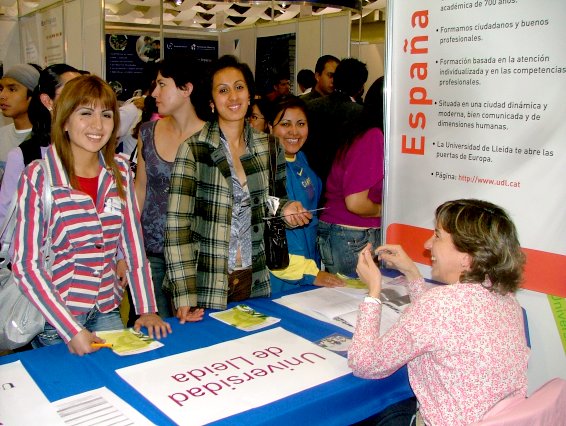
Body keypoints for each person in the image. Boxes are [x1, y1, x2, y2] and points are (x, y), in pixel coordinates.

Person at [11, 75, 172, 356]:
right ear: (64, 120)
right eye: (85, 113)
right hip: (55, 318)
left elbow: (133, 246)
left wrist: (146, 309)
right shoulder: (40, 176)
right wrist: (70, 330)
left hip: (107, 307)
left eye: (106, 115)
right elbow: (26, 265)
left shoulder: (119, 171)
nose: (97, 125)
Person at [349, 199, 530, 425]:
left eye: (437, 236)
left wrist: (373, 290)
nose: (427, 244)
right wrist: (412, 273)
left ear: (466, 257)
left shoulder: (441, 304)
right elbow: (442, 323)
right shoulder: (506, 298)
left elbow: (365, 364)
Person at [164, 55, 312, 318]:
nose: (233, 96)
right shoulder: (194, 149)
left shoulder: (269, 146)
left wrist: (288, 210)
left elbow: (274, 201)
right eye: (223, 90)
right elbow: (177, 228)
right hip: (204, 278)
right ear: (211, 102)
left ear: (250, 94)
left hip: (253, 275)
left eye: (239, 87)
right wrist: (183, 293)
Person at [135, 57, 208, 320]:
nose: (154, 93)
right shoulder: (147, 131)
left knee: (191, 331)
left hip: (193, 257)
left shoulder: (212, 138)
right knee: (153, 326)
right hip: (150, 251)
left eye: (162, 84)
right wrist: (128, 248)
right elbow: (139, 190)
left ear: (186, 89)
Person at [267, 96, 344, 294]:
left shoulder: (300, 157)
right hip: (285, 276)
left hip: (309, 270)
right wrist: (310, 274)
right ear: (269, 127)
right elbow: (267, 237)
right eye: (285, 124)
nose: (294, 131)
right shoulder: (267, 169)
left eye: (301, 124)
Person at [0, 64, 81, 229]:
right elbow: (6, 216)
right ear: (47, 101)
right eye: (72, 94)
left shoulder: (93, 150)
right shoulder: (25, 155)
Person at [317, 89, 384, 277]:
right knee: (357, 299)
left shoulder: (361, 130)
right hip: (352, 234)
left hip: (347, 232)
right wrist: (384, 210)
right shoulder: (372, 136)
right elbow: (356, 202)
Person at [304, 58, 368, 189]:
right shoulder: (361, 114)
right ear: (361, 87)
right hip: (343, 186)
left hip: (310, 180)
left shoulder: (310, 106)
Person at [0, 64, 41, 182]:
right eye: (1, 89)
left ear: (32, 95)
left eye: (12, 89)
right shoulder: (1, 135)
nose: (2, 96)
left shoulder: (46, 138)